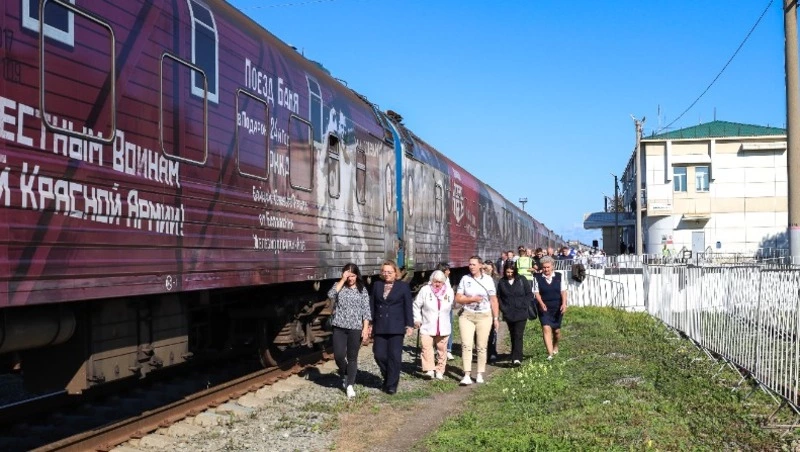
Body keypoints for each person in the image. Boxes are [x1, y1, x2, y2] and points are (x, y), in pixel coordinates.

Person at [327, 263, 372, 398]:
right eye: (348, 275)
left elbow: (366, 311)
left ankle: (350, 385)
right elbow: (331, 294)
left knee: (352, 357)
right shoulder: (339, 286)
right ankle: (347, 374)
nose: (350, 278)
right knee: (339, 356)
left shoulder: (362, 289)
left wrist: (365, 328)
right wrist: (342, 280)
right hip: (339, 326)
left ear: (357, 275)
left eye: (353, 275)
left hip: (355, 328)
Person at [369, 260, 414, 394]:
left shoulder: (403, 287)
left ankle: (391, 385)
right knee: (379, 354)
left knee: (394, 356)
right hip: (380, 325)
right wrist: (370, 323)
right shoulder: (377, 285)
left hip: (396, 326)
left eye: (389, 272)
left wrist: (409, 324)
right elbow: (372, 305)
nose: (387, 274)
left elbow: (408, 306)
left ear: (396, 273)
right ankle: (389, 376)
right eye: (384, 271)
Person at [454, 256, 500, 385]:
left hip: (484, 316)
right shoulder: (465, 279)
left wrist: (496, 318)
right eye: (470, 264)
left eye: (474, 264)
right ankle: (467, 375)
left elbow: (493, 300)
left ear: (480, 265)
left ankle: (480, 373)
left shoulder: (488, 280)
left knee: (481, 346)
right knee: (466, 345)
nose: (471, 266)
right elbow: (458, 298)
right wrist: (471, 299)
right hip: (467, 315)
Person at [412, 270, 454, 380]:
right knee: (426, 348)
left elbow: (451, 305)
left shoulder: (449, 291)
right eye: (435, 281)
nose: (437, 284)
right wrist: (417, 319)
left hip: (443, 326)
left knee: (442, 350)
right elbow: (416, 305)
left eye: (440, 282)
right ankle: (429, 370)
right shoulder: (425, 290)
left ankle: (440, 370)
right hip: (427, 325)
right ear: (431, 281)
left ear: (443, 282)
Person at [496, 262, 533, 365]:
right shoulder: (502, 282)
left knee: (518, 334)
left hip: (521, 312)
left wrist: (524, 304)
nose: (509, 274)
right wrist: (503, 308)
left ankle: (517, 358)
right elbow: (499, 297)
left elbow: (529, 294)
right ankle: (514, 354)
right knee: (512, 334)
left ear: (515, 271)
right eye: (507, 272)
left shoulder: (522, 279)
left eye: (511, 272)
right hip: (509, 313)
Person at [534, 256, 568, 360]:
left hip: (557, 307)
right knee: (546, 328)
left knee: (556, 331)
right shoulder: (537, 278)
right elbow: (536, 292)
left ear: (552, 267)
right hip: (544, 307)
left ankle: (555, 346)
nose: (546, 269)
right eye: (544, 267)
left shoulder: (559, 276)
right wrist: (541, 303)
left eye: (548, 267)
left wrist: (564, 304)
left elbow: (563, 291)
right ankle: (550, 354)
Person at [436, 262, 456, 360]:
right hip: (439, 308)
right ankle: (439, 349)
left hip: (447, 308)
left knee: (449, 328)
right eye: (447, 270)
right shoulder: (436, 281)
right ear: (443, 271)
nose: (449, 272)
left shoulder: (447, 280)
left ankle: (448, 349)